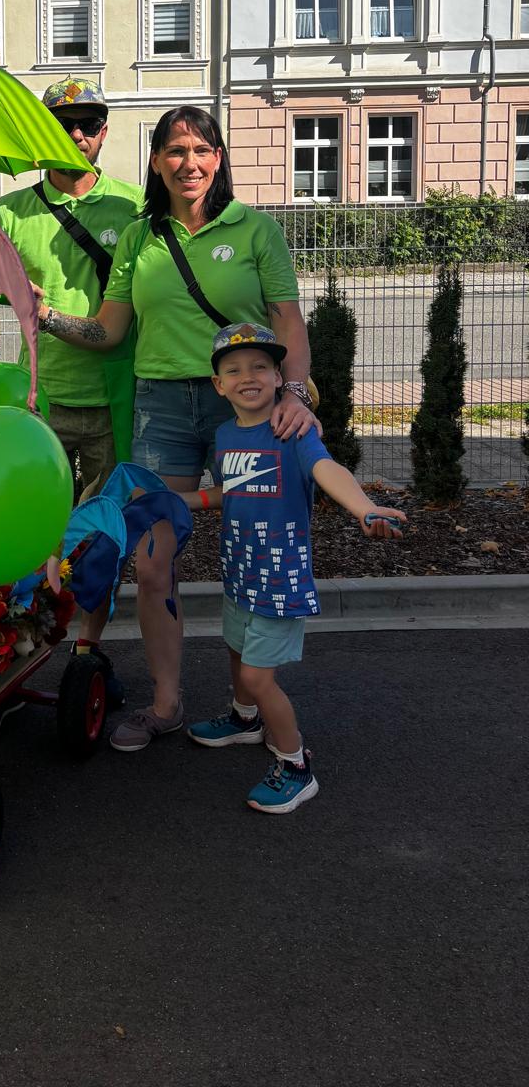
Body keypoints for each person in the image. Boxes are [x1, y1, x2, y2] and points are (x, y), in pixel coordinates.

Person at [34, 104, 319, 752]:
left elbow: (288, 320)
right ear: (157, 162)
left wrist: (295, 394)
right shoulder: (140, 237)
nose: (189, 164)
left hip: (244, 408)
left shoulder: (254, 230)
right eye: (174, 152)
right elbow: (107, 331)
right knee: (154, 560)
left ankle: (247, 703)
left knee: (248, 553)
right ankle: (166, 703)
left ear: (218, 158)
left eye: (201, 150)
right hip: (162, 405)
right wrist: (42, 312)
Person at [0, 77, 143, 711]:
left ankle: (87, 654)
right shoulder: (11, 213)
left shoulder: (134, 207)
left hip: (117, 399)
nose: (78, 134)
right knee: (32, 534)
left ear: (105, 131)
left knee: (100, 539)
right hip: (43, 404)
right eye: (65, 123)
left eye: (89, 122)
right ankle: (15, 652)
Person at [181, 322, 405, 812]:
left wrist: (362, 506)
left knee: (262, 678)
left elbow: (328, 470)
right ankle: (244, 720)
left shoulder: (293, 430)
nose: (248, 376)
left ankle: (295, 764)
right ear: (218, 384)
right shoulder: (224, 433)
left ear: (279, 376)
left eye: (261, 366)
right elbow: (230, 490)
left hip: (279, 578)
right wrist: (177, 500)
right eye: (234, 369)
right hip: (239, 568)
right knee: (236, 649)